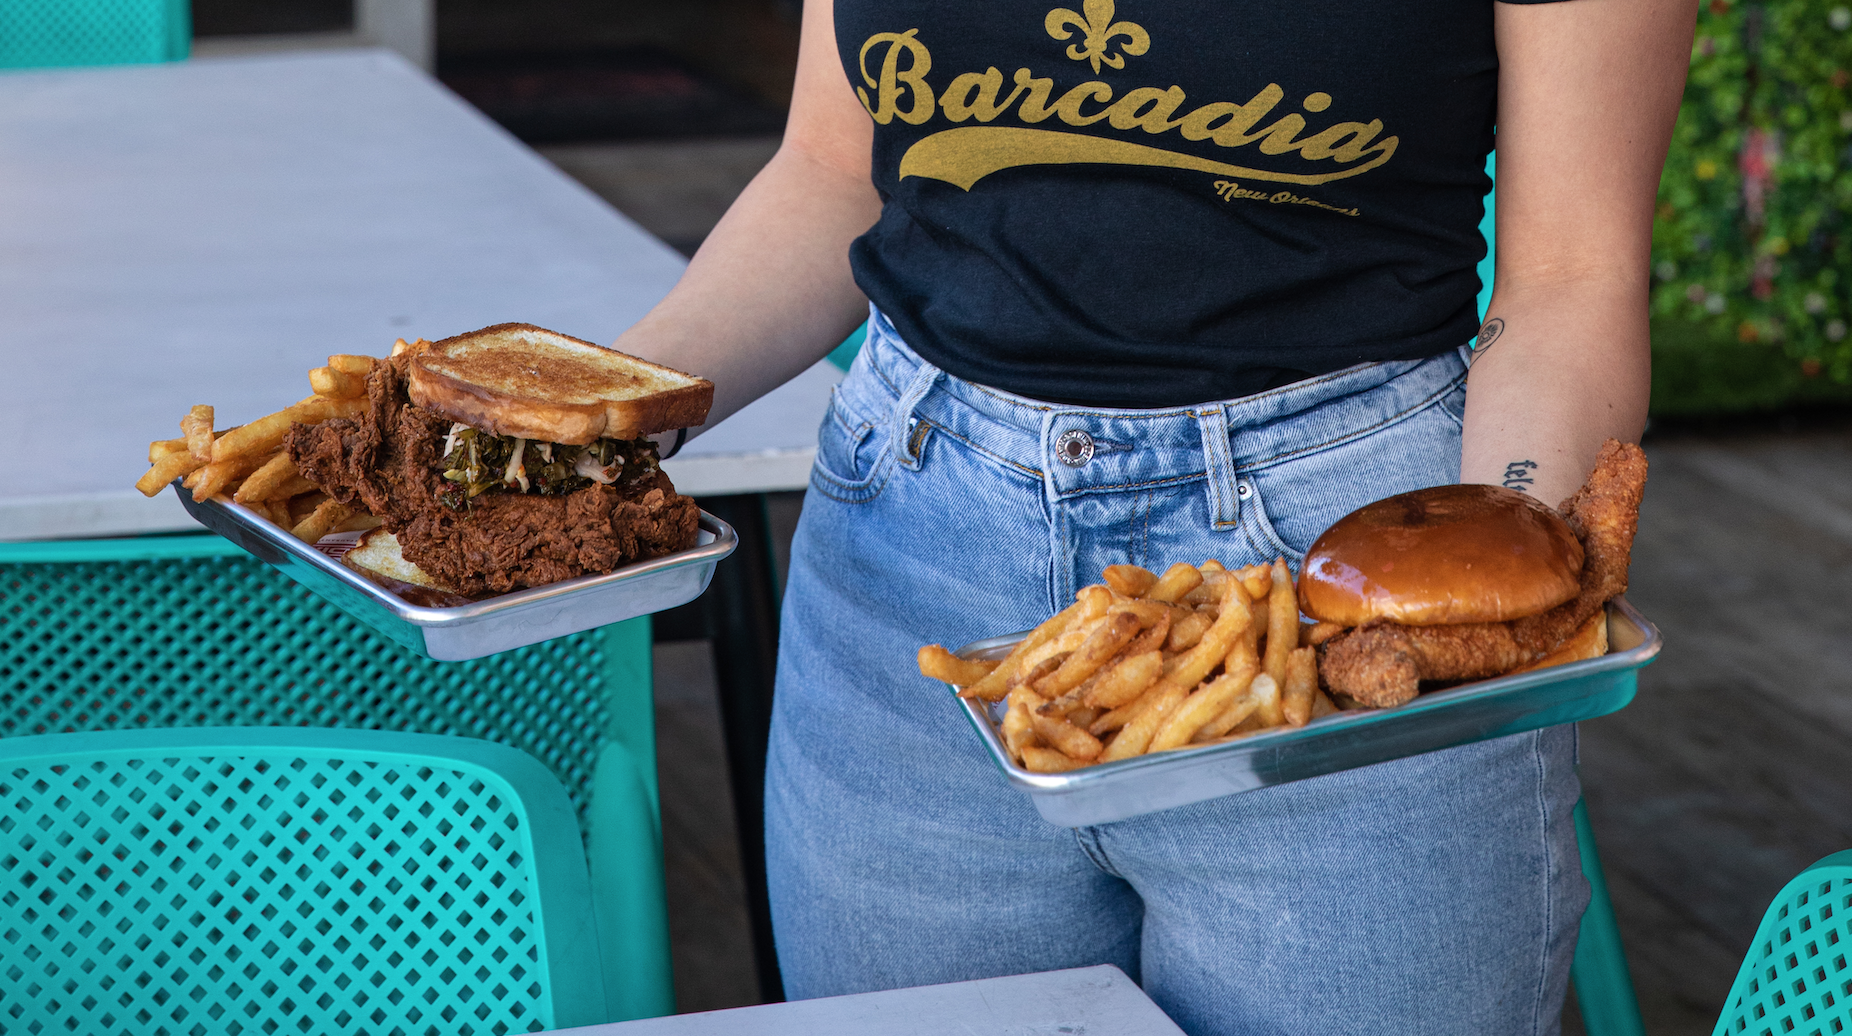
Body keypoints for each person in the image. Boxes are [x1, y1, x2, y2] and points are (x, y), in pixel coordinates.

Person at [617, 0, 1693, 1031]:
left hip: (1339, 568)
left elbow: (1569, 276)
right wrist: (599, 417)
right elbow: (832, 176)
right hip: (910, 559)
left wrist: (1491, 558)